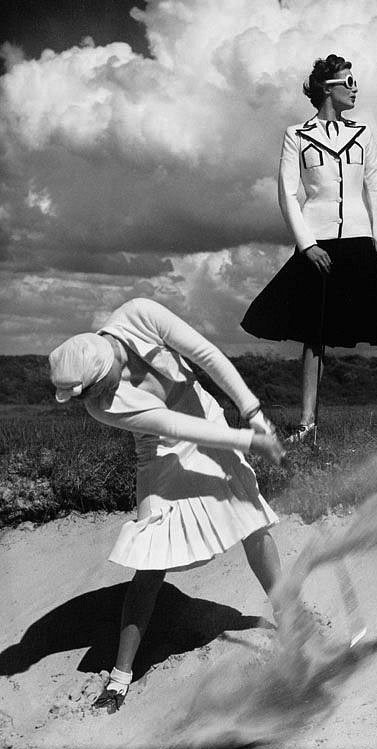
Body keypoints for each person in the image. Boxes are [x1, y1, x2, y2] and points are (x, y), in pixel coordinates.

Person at [48, 297, 284, 712]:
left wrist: (252, 411)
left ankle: (290, 614)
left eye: (102, 387)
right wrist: (250, 441)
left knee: (251, 520)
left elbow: (207, 357)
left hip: (206, 418)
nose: (98, 400)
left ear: (107, 363)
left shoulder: (140, 314)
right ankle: (120, 677)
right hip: (158, 452)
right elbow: (170, 425)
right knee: (152, 558)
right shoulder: (102, 405)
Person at [241, 54, 377, 441]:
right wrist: (307, 245)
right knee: (316, 334)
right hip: (318, 243)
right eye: (349, 82)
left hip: (361, 242)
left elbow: (376, 191)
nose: (355, 88)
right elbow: (288, 194)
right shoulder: (297, 135)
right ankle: (308, 423)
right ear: (327, 89)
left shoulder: (363, 134)